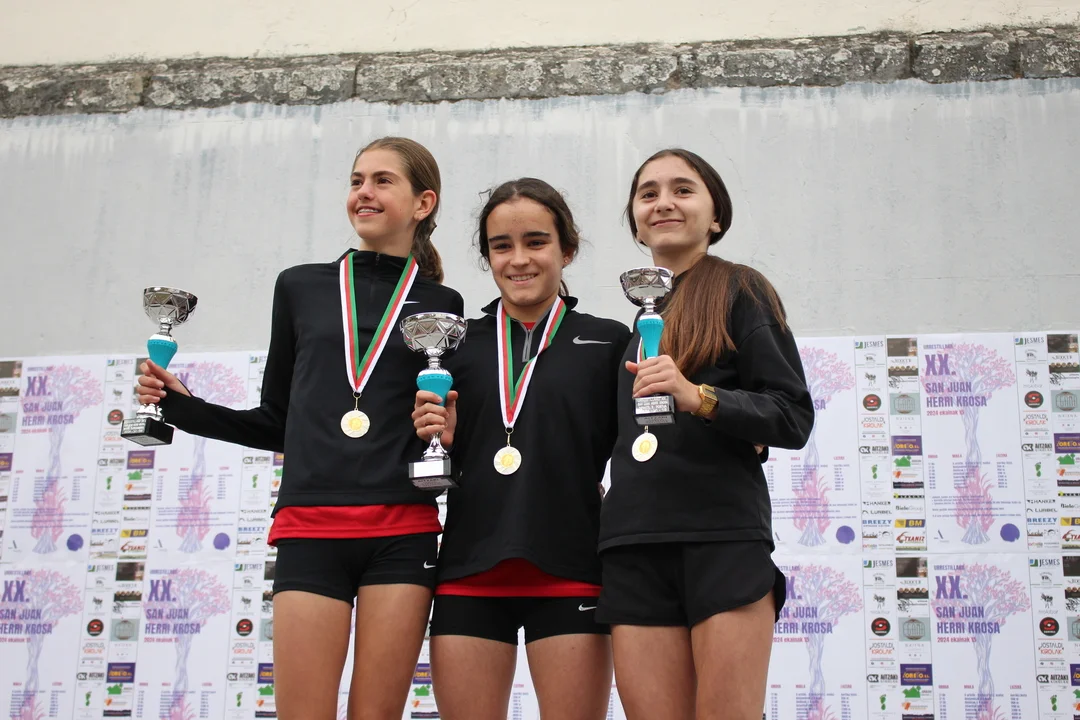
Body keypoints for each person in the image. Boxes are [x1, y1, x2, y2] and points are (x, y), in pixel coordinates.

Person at [136, 137, 464, 720]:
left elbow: (442, 426)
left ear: (423, 203)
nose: (364, 192)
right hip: (310, 528)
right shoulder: (300, 286)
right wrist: (183, 408)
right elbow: (277, 422)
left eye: (383, 180)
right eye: (356, 180)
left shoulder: (442, 304)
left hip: (403, 531)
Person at [595, 148, 815, 720]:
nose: (663, 202)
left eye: (682, 189)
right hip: (633, 545)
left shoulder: (740, 289)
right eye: (648, 194)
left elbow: (791, 415)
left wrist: (700, 397)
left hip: (721, 538)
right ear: (635, 221)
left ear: (716, 215)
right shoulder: (637, 321)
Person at [411, 178, 630, 720]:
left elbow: (640, 453)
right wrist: (443, 444)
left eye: (536, 242)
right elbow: (421, 467)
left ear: (567, 250)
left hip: (573, 568)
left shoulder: (608, 341)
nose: (519, 259)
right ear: (488, 256)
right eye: (501, 246)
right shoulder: (454, 345)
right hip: (468, 570)